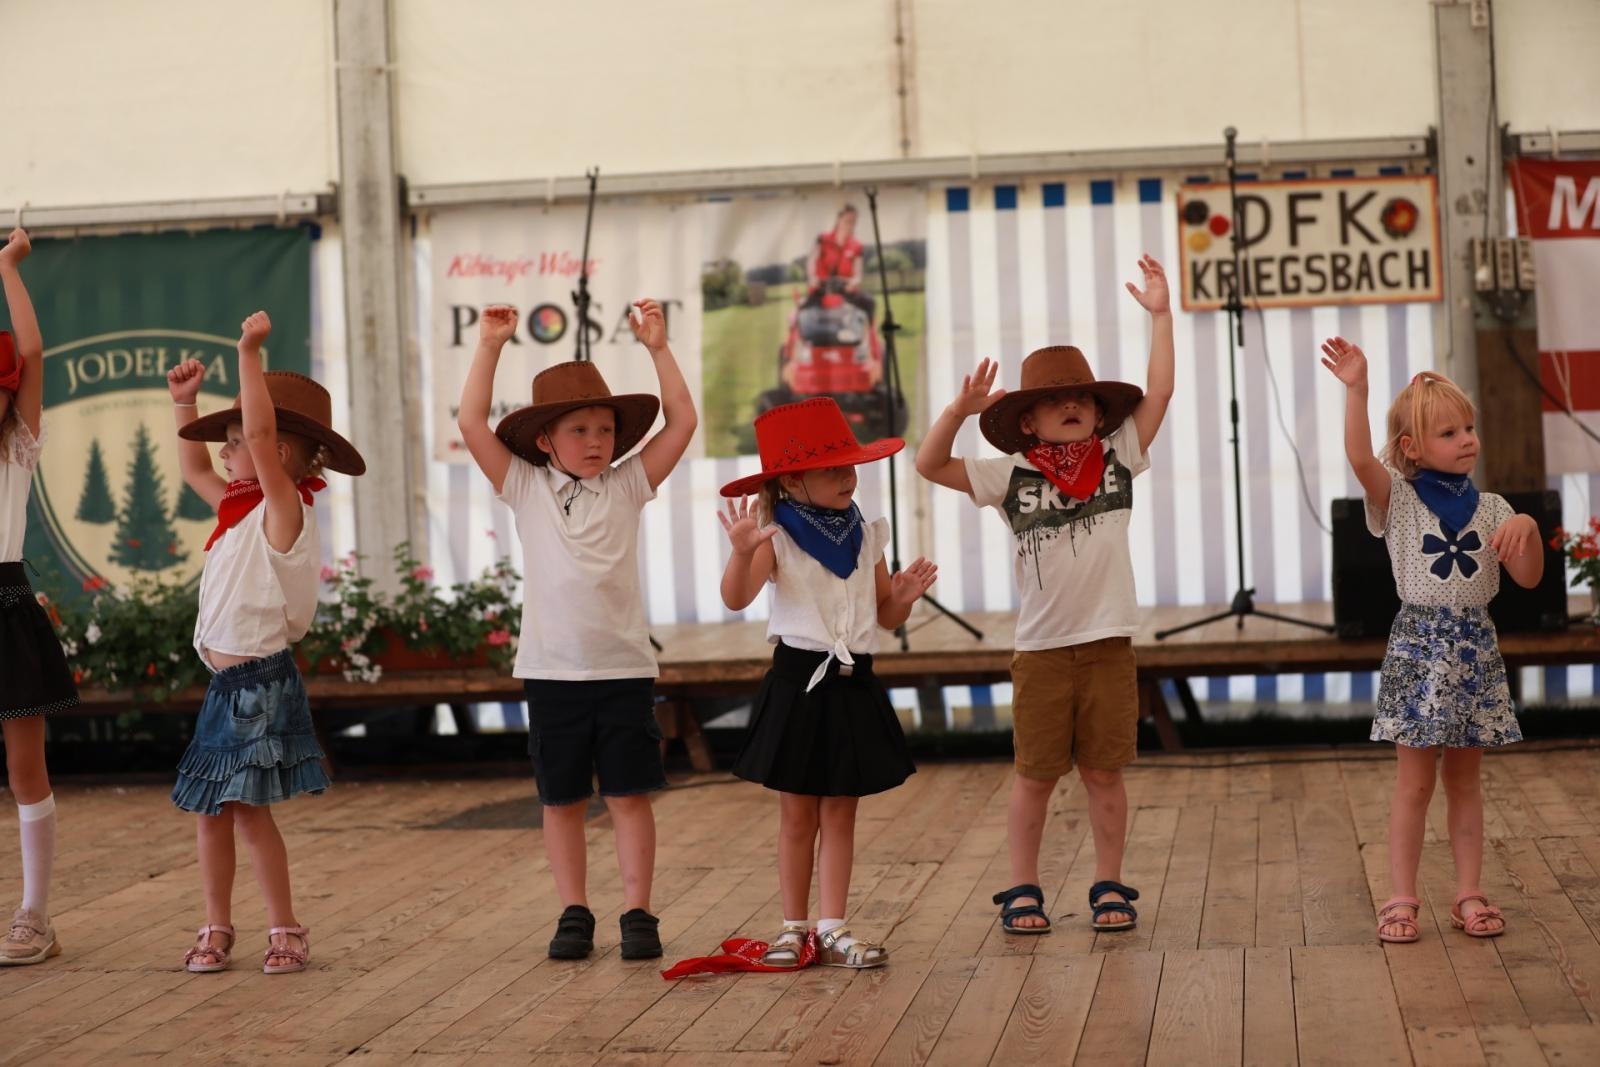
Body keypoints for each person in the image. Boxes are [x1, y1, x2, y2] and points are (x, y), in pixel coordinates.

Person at [915, 255, 1174, 934]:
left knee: (1105, 773)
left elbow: (1161, 392)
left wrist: (1161, 316)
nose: (1070, 406)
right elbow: (928, 463)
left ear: (1099, 413)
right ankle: (1023, 887)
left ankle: (1109, 883)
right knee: (1034, 775)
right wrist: (957, 410)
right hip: (1041, 651)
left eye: (1081, 398)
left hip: (1108, 643)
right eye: (1055, 402)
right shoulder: (1009, 474)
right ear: (1027, 422)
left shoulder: (1120, 457)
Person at [457, 300, 696, 961]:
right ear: (544, 440)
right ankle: (574, 910)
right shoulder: (524, 486)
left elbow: (682, 421)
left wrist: (659, 348)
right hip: (552, 672)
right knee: (561, 799)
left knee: (629, 795)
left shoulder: (630, 483)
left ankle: (638, 911)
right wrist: (490, 345)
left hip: (623, 670)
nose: (596, 441)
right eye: (580, 430)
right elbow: (471, 423)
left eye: (606, 429)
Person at [1322, 339, 1542, 942]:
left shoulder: (1494, 508)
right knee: (1414, 783)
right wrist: (1357, 389)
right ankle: (1401, 898)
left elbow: (1527, 578)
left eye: (1468, 428)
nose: (1467, 439)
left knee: (1465, 782)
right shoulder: (1397, 497)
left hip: (1476, 648)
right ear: (1412, 447)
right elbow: (1358, 457)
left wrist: (1527, 528)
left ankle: (1469, 891)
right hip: (1419, 648)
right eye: (1449, 433)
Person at [167, 310, 366, 973]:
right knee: (212, 812)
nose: (226, 453)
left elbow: (256, 430)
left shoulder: (286, 509)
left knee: (247, 813)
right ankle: (217, 924)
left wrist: (248, 352)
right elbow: (194, 469)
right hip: (227, 687)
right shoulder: (238, 509)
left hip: (258, 685)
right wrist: (184, 403)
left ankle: (284, 927)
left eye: (235, 442)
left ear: (276, 452)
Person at [717, 396, 934, 968]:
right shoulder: (774, 536)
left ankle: (833, 927)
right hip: (798, 684)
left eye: (849, 465)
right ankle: (793, 928)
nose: (847, 477)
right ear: (792, 481)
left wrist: (903, 598)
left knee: (841, 812)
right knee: (797, 816)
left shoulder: (866, 533)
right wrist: (741, 554)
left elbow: (884, 615)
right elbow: (736, 597)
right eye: (832, 468)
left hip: (853, 685)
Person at [0, 227, 79, 966]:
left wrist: (8, 268)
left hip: (5, 607)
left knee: (26, 769)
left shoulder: (16, 450)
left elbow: (31, 350)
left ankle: (34, 914)